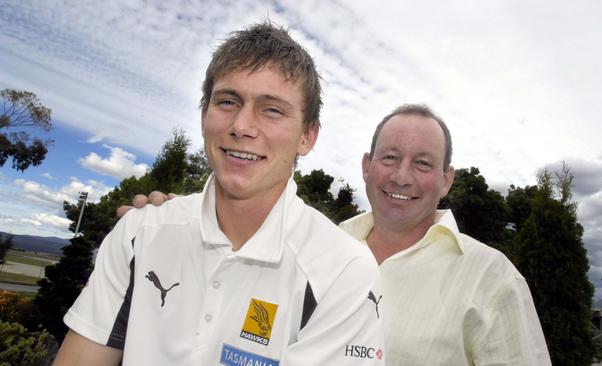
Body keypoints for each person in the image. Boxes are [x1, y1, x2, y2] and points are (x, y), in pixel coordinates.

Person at [53, 22, 384, 366]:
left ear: (307, 136)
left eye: (271, 109)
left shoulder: (344, 269)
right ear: (203, 117)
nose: (241, 126)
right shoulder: (140, 233)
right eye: (227, 101)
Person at [338, 104, 551, 365]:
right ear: (366, 166)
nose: (401, 177)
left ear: (446, 180)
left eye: (423, 163)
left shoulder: (494, 279)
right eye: (390, 157)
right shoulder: (324, 250)